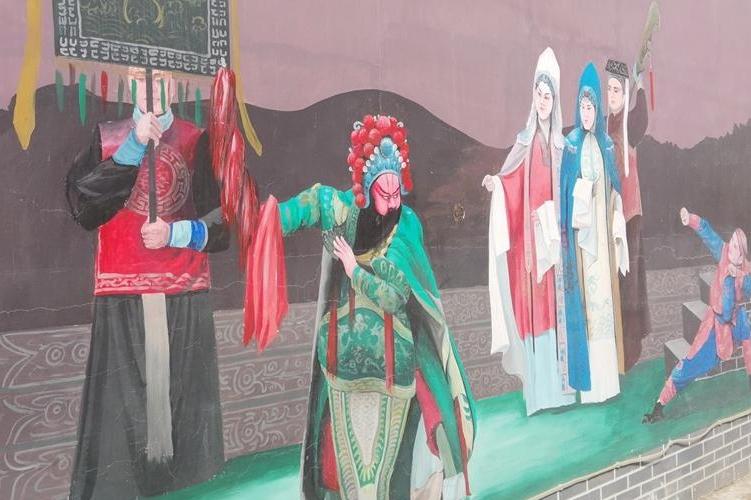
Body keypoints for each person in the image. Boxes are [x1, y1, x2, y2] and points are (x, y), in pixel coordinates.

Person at [252, 114, 476, 499]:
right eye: (383, 195)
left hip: (400, 350)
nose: (391, 204)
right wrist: (268, 218)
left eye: (396, 194)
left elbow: (396, 295)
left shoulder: (406, 226)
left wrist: (354, 269)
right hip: (344, 350)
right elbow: (308, 205)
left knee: (427, 430)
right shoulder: (343, 208)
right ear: (367, 189)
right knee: (334, 453)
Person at [65, 67, 228, 499]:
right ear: (131, 84)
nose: (153, 88)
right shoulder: (108, 139)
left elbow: (225, 221)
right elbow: (84, 209)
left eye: (161, 80)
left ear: (173, 86)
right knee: (121, 429)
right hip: (122, 294)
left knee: (188, 435)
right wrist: (134, 146)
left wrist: (177, 232)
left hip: (184, 293)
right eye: (142, 79)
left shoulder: (196, 140)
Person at [482, 47, 575, 415]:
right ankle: (540, 395)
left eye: (548, 95)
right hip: (533, 247)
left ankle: (561, 392)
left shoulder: (562, 146)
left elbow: (568, 188)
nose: (542, 101)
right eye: (538, 94)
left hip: (556, 245)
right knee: (536, 312)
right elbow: (510, 177)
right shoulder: (525, 141)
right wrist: (496, 184)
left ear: (555, 100)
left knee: (556, 311)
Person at [560, 62, 629, 404]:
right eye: (583, 107)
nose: (587, 113)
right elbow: (565, 192)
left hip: (602, 239)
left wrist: (615, 212)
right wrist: (580, 195)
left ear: (598, 107)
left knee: (604, 307)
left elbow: (616, 188)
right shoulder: (571, 145)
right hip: (582, 242)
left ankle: (608, 381)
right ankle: (589, 387)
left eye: (591, 107)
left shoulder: (606, 146)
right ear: (577, 107)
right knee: (587, 308)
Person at [643, 208, 751, 423]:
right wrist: (691, 219)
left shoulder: (746, 269)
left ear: (742, 254)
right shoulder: (722, 251)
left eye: (735, 247)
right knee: (691, 363)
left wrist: (738, 275)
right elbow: (707, 232)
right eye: (731, 243)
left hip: (737, 318)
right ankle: (659, 406)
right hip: (716, 323)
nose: (730, 249)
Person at [605, 58, 651, 372]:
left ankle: (629, 352)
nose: (612, 95)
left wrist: (640, 86)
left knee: (629, 285)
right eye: (609, 89)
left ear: (624, 93)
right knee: (611, 287)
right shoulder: (604, 124)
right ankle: (612, 351)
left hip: (629, 216)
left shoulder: (628, 124)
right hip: (608, 215)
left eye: (617, 90)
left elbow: (641, 119)